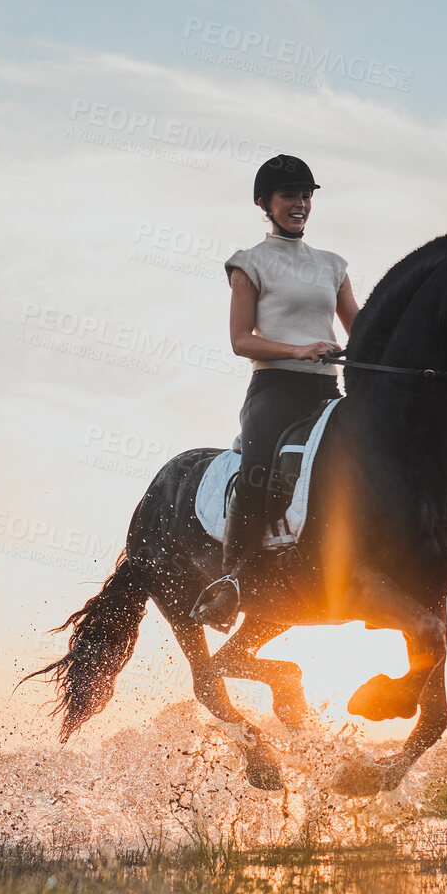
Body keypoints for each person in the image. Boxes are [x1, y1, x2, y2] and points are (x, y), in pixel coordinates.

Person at [189, 154, 359, 632]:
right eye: (290, 196)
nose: (300, 204)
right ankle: (234, 580)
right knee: (258, 465)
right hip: (275, 390)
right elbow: (241, 340)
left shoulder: (333, 265)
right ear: (265, 202)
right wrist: (299, 349)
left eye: (306, 195)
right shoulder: (249, 263)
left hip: (328, 393)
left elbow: (361, 331)